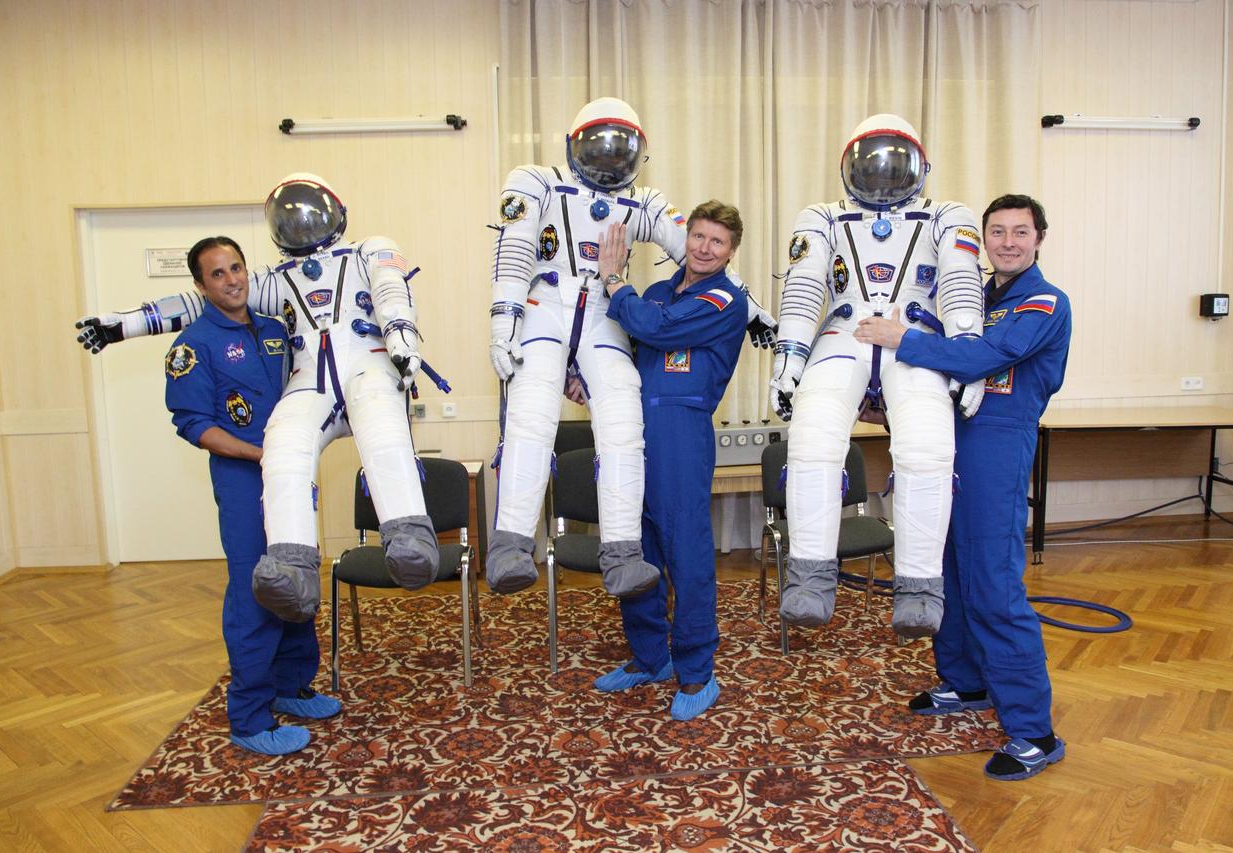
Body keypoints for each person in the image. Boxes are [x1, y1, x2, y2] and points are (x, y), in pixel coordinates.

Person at [76, 174, 439, 624]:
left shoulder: (369, 249)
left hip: (370, 365)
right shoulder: (276, 280)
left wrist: (402, 337)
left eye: (310, 211)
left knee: (384, 432)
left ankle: (408, 541)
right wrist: (122, 324)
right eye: (290, 217)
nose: (302, 223)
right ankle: (292, 565)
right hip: (311, 378)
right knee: (283, 447)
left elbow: (390, 288)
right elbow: (198, 305)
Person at [486, 97, 775, 600]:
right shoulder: (536, 181)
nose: (608, 161)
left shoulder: (643, 202)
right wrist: (503, 319)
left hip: (604, 307)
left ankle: (621, 553)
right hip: (545, 302)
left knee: (622, 418)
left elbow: (690, 247)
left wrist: (752, 309)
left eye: (621, 150)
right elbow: (514, 249)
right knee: (531, 414)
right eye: (599, 146)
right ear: (575, 142)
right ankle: (510, 545)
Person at [854, 194, 1071, 781]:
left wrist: (904, 340)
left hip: (997, 444)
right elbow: (944, 369)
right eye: (996, 231)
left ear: (1038, 238)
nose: (1007, 242)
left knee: (993, 583)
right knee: (944, 567)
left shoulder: (1045, 302)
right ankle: (966, 681)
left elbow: (986, 357)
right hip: (947, 440)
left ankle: (1033, 731)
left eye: (1019, 232)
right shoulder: (972, 294)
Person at [767, 113, 985, 636]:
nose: (883, 178)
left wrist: (967, 355)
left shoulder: (947, 214)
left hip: (915, 337)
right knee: (812, 440)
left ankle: (919, 587)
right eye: (872, 163)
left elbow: (959, 282)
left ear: (919, 165)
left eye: (896, 162)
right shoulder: (822, 216)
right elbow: (804, 288)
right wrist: (789, 359)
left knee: (928, 450)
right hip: (846, 331)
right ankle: (810, 580)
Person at [165, 236, 337, 755]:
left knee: (296, 573)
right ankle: (249, 717)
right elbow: (194, 424)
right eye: (217, 274)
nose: (232, 280)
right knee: (255, 593)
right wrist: (258, 454)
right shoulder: (193, 345)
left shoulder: (275, 331)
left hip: (291, 476)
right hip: (244, 479)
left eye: (236, 267)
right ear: (201, 285)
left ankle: (291, 686)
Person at [590, 203, 748, 721]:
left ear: (731, 251)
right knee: (636, 546)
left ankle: (697, 671)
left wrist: (614, 280)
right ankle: (650, 656)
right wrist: (584, 385)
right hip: (633, 429)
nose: (704, 248)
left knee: (687, 553)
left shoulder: (726, 298)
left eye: (716, 242)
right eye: (698, 236)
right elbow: (624, 348)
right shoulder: (657, 291)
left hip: (682, 431)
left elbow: (653, 327)